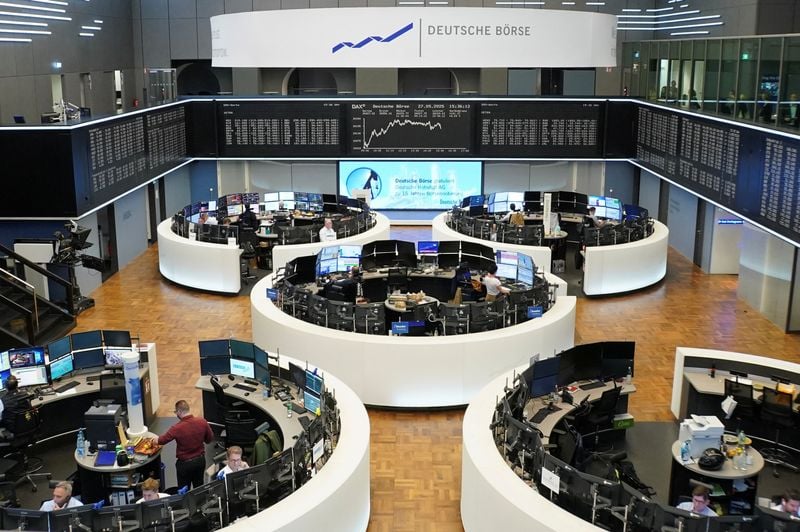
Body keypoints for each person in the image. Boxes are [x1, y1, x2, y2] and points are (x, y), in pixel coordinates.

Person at [155, 400, 213, 490]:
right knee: (199, 488)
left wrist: (154, 439)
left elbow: (162, 440)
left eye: (176, 412)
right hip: (200, 461)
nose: (176, 414)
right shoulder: (202, 421)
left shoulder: (176, 428)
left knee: (184, 490)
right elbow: (209, 439)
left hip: (184, 464)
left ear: (179, 411)